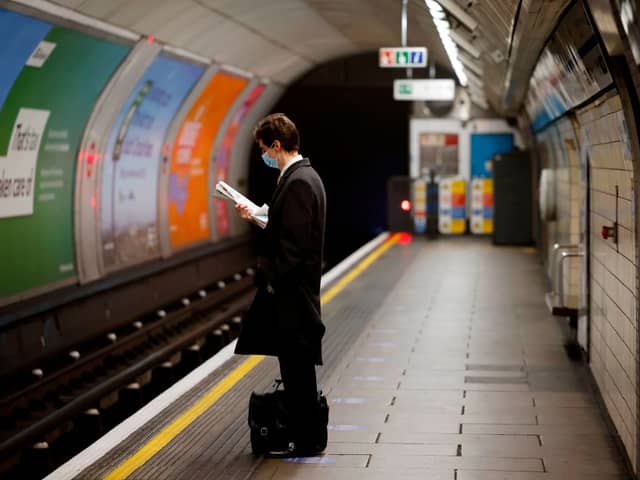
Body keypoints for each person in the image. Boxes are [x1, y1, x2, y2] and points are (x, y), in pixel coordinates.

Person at [234, 113, 327, 455]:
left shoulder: (299, 181)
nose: (264, 157)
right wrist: (260, 219)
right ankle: (306, 438)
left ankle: (305, 441)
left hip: (294, 297)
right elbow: (289, 229)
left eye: (264, 150)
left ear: (276, 145)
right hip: (297, 294)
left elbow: (294, 246)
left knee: (298, 371)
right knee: (295, 368)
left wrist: (271, 280)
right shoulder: (305, 177)